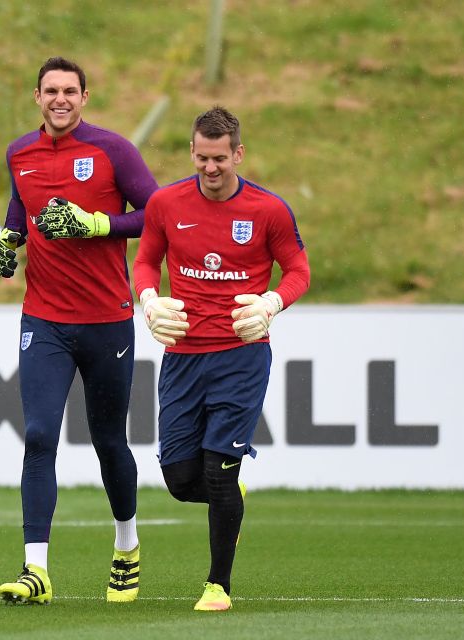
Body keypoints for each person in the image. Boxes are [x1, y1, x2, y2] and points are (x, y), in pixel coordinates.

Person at [0, 56, 159, 604]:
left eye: (70, 91)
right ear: (36, 96)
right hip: (44, 318)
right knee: (38, 435)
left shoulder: (113, 151)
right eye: (50, 91)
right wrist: (7, 242)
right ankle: (35, 569)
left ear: (85, 97)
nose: (60, 99)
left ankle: (127, 545)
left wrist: (99, 224)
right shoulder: (19, 153)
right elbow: (23, 210)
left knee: (109, 440)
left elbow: (157, 214)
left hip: (108, 318)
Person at [132, 106, 310, 612]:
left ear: (238, 154)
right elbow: (145, 260)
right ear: (192, 151)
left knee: (218, 470)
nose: (211, 169)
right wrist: (148, 300)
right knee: (180, 479)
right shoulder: (166, 203)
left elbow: (298, 268)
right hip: (183, 354)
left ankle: (218, 585)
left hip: (241, 355)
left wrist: (273, 303)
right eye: (202, 158)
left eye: (220, 159)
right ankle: (232, 497)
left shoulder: (268, 210)